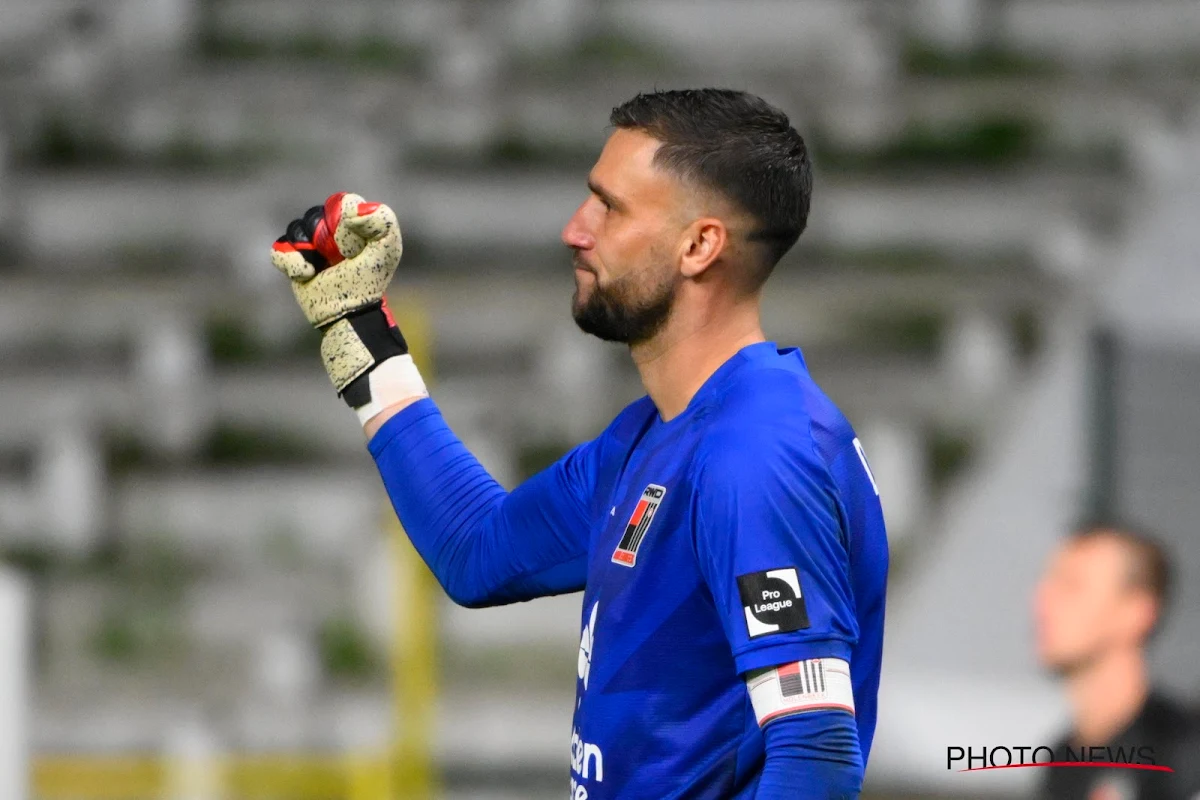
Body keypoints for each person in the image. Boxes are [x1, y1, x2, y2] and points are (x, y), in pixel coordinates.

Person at [270, 88, 888, 799]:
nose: (574, 229)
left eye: (610, 206)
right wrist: (363, 338)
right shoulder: (655, 434)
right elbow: (478, 549)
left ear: (699, 245)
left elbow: (815, 749)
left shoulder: (757, 454)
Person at [1034, 523, 1200, 800]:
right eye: (1048, 581)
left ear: (1136, 612)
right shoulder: (1060, 763)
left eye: (1072, 585)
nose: (1044, 600)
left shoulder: (1183, 751)